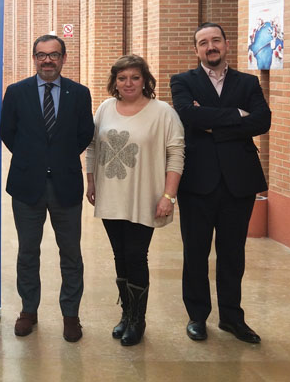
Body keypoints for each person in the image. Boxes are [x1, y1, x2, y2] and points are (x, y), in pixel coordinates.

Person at [170, 23, 271, 344]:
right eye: (203, 42)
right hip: (197, 182)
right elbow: (188, 116)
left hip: (239, 181)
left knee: (232, 254)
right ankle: (197, 317)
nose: (210, 46)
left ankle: (231, 317)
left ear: (226, 44)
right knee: (195, 253)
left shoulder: (248, 82)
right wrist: (237, 115)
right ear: (196, 49)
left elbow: (262, 121)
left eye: (215, 40)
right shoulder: (182, 81)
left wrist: (212, 122)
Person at [0, 34, 95, 342]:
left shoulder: (79, 93)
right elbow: (7, 132)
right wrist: (34, 159)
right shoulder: (17, 92)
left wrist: (58, 159)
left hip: (66, 184)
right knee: (28, 251)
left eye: (53, 54)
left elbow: (85, 133)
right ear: (34, 59)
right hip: (27, 185)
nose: (47, 60)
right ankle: (28, 311)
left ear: (63, 58)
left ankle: (71, 315)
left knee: (71, 254)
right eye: (41, 55)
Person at [85, 54, 184, 346]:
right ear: (115, 81)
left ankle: (138, 319)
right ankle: (126, 314)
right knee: (120, 255)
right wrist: (90, 181)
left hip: (144, 197)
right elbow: (92, 147)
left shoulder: (162, 112)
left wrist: (169, 196)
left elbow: (176, 154)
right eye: (122, 78)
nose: (128, 83)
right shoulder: (105, 108)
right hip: (111, 195)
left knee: (136, 255)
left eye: (135, 77)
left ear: (145, 80)